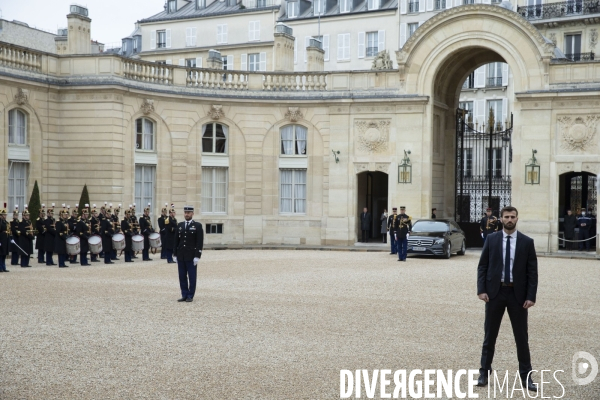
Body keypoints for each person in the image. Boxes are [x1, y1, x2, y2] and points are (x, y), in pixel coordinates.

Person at [476, 206, 538, 392]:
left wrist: (531, 296)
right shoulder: (492, 239)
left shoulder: (527, 242)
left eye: (512, 216)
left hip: (517, 296)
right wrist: (481, 290)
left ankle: (526, 376)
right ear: (501, 219)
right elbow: (482, 266)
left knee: (521, 338)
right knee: (490, 336)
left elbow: (532, 272)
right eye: (506, 217)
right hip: (495, 293)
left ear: (517, 218)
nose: (509, 219)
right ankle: (484, 372)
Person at [173, 205, 204, 302]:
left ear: (192, 214)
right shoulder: (180, 225)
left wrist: (197, 256)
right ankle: (184, 294)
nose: (186, 214)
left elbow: (199, 242)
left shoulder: (197, 226)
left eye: (188, 213)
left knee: (192, 276)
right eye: (185, 212)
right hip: (181, 255)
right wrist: (174, 254)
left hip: (191, 256)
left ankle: (190, 295)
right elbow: (176, 241)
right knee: (182, 276)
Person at [0, 207, 10, 272]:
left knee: (4, 254)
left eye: (5, 215)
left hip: (5, 240)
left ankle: (4, 267)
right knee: (0, 254)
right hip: (1, 239)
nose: (5, 216)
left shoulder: (6, 222)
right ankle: (0, 267)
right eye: (3, 215)